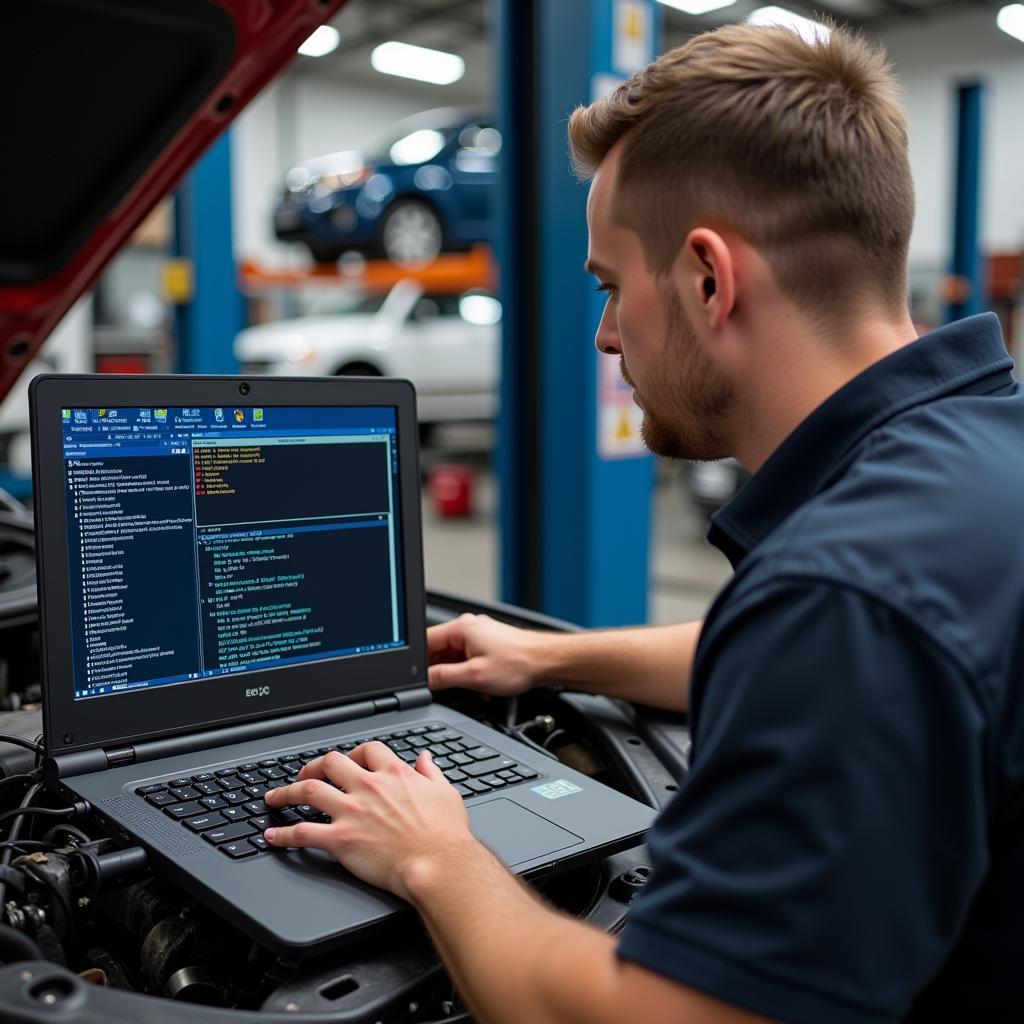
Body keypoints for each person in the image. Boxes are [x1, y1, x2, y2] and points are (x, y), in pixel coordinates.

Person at [262, 22, 1024, 1024]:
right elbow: (853, 645)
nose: (606, 335)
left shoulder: (839, 595)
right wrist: (545, 659)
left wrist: (436, 856)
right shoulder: (976, 455)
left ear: (709, 278)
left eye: (611, 286)